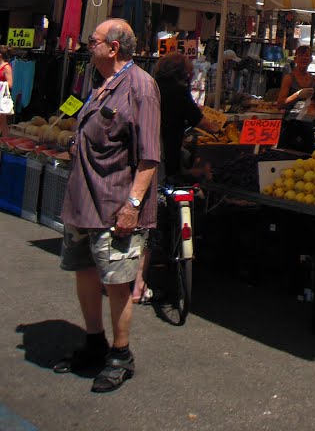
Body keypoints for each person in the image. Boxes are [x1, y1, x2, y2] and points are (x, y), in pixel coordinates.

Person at [54, 19, 160, 393]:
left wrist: (133, 204)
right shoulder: (99, 82)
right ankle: (94, 341)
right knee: (83, 269)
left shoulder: (141, 87)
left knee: (117, 282)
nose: (88, 45)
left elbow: (149, 157)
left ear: (113, 48)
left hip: (115, 203)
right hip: (83, 201)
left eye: (93, 40)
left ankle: (120, 353)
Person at [131, 50, 217, 304]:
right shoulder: (179, 92)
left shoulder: (150, 88)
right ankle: (138, 285)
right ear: (184, 75)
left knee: (141, 218)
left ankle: (130, 276)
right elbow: (203, 122)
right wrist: (219, 126)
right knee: (152, 223)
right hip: (160, 161)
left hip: (140, 157)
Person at [277, 45, 315, 152]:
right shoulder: (289, 78)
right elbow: (280, 104)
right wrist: (297, 95)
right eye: (301, 56)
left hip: (308, 125)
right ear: (296, 59)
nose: (304, 58)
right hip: (290, 125)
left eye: (307, 56)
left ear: (311, 59)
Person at [0, 44, 13, 135]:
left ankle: (5, 142)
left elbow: (10, 83)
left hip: (1, 97)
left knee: (2, 121)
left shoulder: (7, 67)